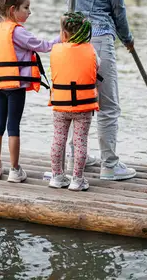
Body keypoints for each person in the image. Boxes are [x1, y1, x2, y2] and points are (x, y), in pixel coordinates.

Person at [64, 0, 136, 181]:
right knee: (108, 104)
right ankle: (110, 164)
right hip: (99, 41)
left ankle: (76, 156)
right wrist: (128, 39)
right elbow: (119, 14)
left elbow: (69, 8)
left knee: (77, 101)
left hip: (74, 41)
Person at [0, 0, 59, 183]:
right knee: (13, 126)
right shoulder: (17, 31)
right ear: (12, 10)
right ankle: (15, 170)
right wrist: (62, 38)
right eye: (26, 8)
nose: (29, 12)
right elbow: (42, 46)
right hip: (15, 86)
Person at [48, 12, 99, 191]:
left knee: (58, 139)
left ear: (63, 33)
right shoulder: (91, 50)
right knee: (80, 141)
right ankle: (77, 179)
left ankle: (56, 176)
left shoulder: (56, 50)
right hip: (83, 107)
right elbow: (97, 66)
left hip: (61, 105)